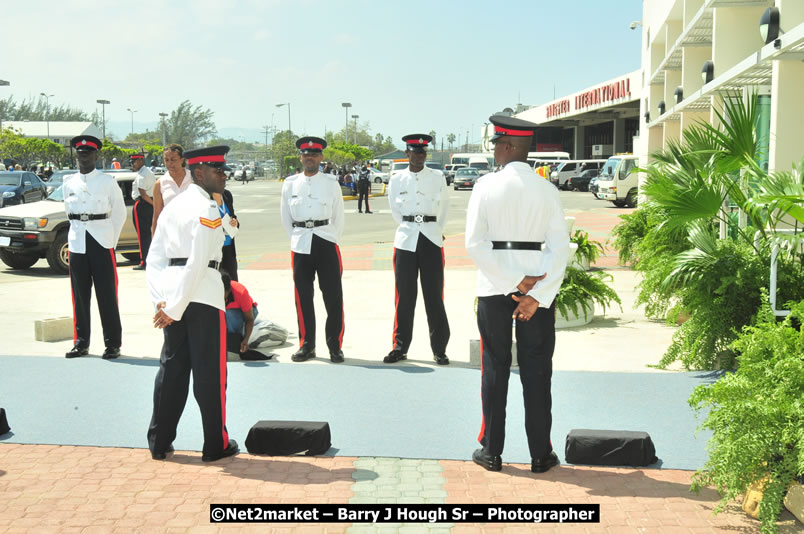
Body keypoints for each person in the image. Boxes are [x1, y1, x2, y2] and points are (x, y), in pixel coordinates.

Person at [465, 115, 570, 474]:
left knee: (495, 366)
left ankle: (491, 451)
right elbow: (561, 248)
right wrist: (536, 294)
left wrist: (513, 284)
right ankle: (541, 454)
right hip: (538, 289)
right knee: (537, 370)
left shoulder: (485, 186)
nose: (494, 150)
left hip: (496, 288)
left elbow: (474, 244)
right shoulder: (547, 190)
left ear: (509, 146)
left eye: (497, 144)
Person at [145, 145, 239, 463]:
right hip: (201, 296)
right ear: (199, 173)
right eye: (218, 170)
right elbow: (199, 262)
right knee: (210, 374)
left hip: (173, 294)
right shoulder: (207, 207)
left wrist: (161, 300)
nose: (224, 176)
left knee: (172, 370)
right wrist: (174, 306)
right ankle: (215, 444)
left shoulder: (174, 205)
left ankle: (159, 441)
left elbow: (155, 256)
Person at [384, 134, 450, 366]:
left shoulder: (437, 177)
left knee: (434, 297)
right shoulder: (396, 179)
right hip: (406, 240)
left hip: (431, 238)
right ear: (407, 153)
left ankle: (439, 349)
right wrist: (409, 225)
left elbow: (443, 207)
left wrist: (435, 229)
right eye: (415, 152)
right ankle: (400, 346)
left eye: (423, 152)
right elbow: (395, 210)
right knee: (404, 297)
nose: (419, 156)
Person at [280, 136, 345, 363]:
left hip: (326, 241)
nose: (310, 158)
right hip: (300, 244)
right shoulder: (290, 184)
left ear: (321, 157)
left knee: (333, 297)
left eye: (314, 155)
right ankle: (307, 345)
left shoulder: (330, 183)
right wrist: (297, 238)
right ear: (301, 157)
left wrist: (330, 237)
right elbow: (286, 218)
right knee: (303, 298)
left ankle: (334, 345)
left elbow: (338, 216)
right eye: (306, 155)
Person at [62, 135, 126, 359]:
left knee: (107, 294)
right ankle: (81, 342)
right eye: (80, 153)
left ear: (96, 155)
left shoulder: (107, 181)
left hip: (101, 240)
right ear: (77, 156)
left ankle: (112, 343)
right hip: (78, 242)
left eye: (88, 153)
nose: (84, 157)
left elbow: (119, 213)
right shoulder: (68, 182)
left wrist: (111, 241)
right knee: (79, 295)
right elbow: (69, 214)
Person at [151, 144, 191, 237]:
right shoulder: (160, 184)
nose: (169, 163)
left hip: (193, 232)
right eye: (166, 160)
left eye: (173, 159)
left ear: (182, 159)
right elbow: (157, 215)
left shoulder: (194, 179)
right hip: (170, 234)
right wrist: (154, 242)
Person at [130, 153, 156, 270]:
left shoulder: (142, 175)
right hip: (149, 204)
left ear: (140, 161)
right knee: (148, 235)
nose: (132, 164)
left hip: (142, 204)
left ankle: (144, 261)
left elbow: (143, 194)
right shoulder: (149, 172)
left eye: (133, 162)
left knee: (143, 236)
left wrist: (153, 204)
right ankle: (149, 260)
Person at [213, 187, 239, 280]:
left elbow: (233, 216)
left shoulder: (227, 195)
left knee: (232, 284)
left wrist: (235, 222)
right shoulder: (206, 198)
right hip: (214, 251)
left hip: (229, 249)